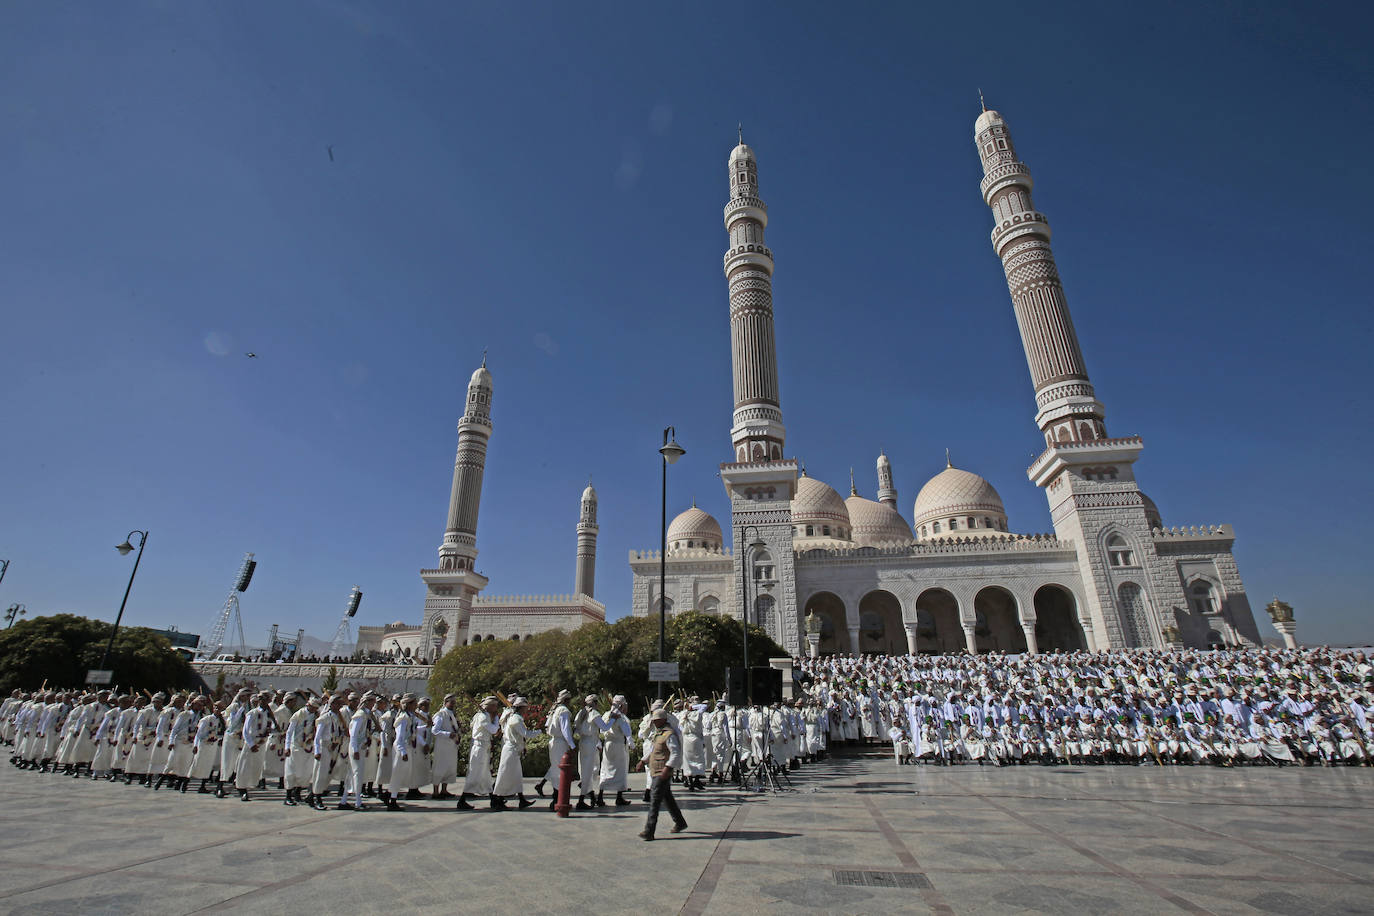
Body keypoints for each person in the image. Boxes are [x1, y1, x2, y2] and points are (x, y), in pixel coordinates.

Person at [639, 708, 687, 841]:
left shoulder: (669, 734)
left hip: (662, 772)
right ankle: (680, 822)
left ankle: (649, 830)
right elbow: (653, 750)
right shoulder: (658, 733)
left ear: (663, 720)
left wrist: (668, 768)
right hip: (656, 770)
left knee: (654, 800)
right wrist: (643, 761)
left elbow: (675, 753)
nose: (654, 722)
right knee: (668, 799)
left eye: (656, 720)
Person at [491, 696, 537, 809]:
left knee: (516, 776)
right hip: (510, 750)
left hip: (513, 750)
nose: (527, 710)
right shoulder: (516, 719)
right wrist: (539, 731)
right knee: (505, 776)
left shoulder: (515, 718)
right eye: (526, 707)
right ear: (522, 708)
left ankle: (521, 799)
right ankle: (497, 800)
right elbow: (525, 733)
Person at [457, 696, 501, 810]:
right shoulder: (482, 717)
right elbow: (493, 730)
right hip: (479, 747)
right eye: (495, 706)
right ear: (490, 706)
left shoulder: (483, 715)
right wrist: (496, 719)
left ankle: (493, 799)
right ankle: (462, 800)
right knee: (475, 774)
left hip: (484, 747)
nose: (496, 708)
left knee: (485, 775)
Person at [537, 689, 575, 809]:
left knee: (555, 769)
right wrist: (572, 745)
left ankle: (556, 797)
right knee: (559, 771)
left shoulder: (554, 710)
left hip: (553, 741)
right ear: (566, 700)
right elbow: (565, 730)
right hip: (560, 742)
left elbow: (547, 725)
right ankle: (556, 798)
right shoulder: (563, 711)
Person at [598, 696, 633, 806]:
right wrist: (632, 744)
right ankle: (619, 797)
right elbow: (627, 733)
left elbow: (602, 729)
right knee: (620, 770)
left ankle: (600, 796)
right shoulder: (621, 718)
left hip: (608, 745)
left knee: (605, 769)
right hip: (618, 745)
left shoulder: (605, 715)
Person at [573, 695, 605, 809]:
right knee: (589, 772)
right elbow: (604, 727)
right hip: (591, 743)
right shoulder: (594, 714)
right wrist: (613, 719)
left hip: (583, 742)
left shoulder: (581, 713)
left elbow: (576, 729)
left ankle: (591, 797)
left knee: (585, 770)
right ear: (595, 703)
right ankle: (581, 800)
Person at [430, 694, 461, 800]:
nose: (453, 704)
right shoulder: (441, 714)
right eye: (451, 702)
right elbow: (434, 731)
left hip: (451, 746)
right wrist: (448, 734)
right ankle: (435, 791)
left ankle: (444, 789)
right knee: (440, 767)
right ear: (446, 702)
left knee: (449, 767)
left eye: (454, 702)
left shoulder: (453, 715)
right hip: (442, 745)